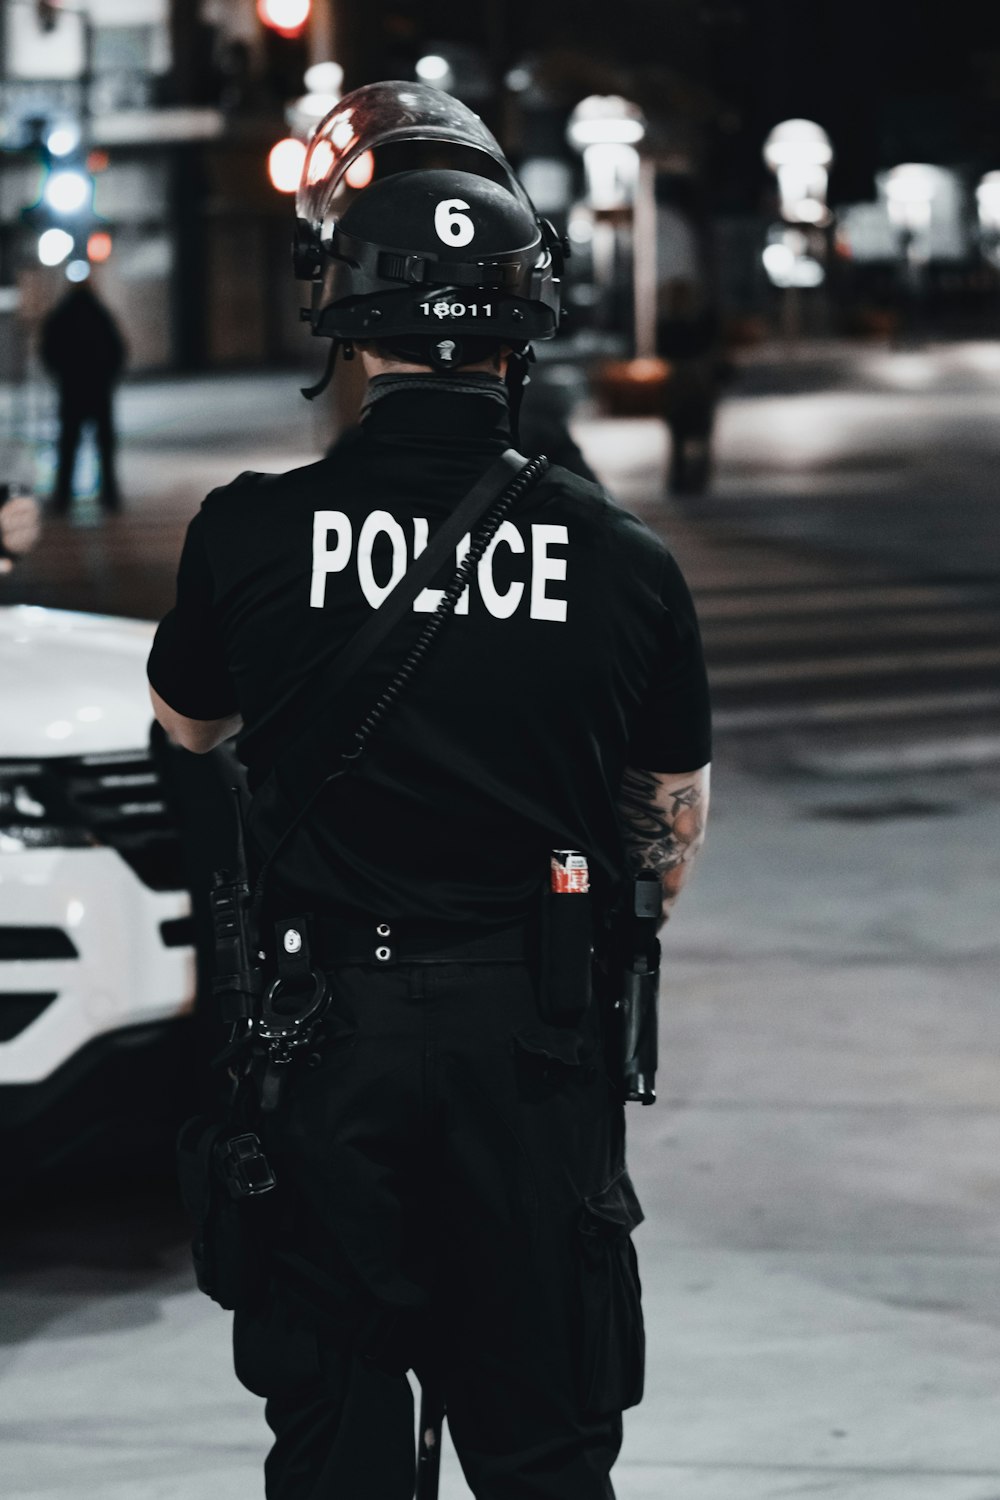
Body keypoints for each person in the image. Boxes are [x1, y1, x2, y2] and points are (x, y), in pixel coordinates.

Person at [147, 81, 711, 1500]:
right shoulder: (629, 565)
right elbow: (667, 838)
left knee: (332, 1438)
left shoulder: (250, 536)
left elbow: (187, 747)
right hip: (530, 1047)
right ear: (529, 316)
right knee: (542, 1446)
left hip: (320, 1038)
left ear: (342, 311)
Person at [39, 278, 126, 512]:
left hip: (72, 391)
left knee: (68, 446)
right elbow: (118, 351)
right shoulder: (101, 315)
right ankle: (109, 497)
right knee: (104, 448)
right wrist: (107, 378)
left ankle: (63, 499)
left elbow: (48, 351)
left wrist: (62, 375)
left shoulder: (61, 317)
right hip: (99, 391)